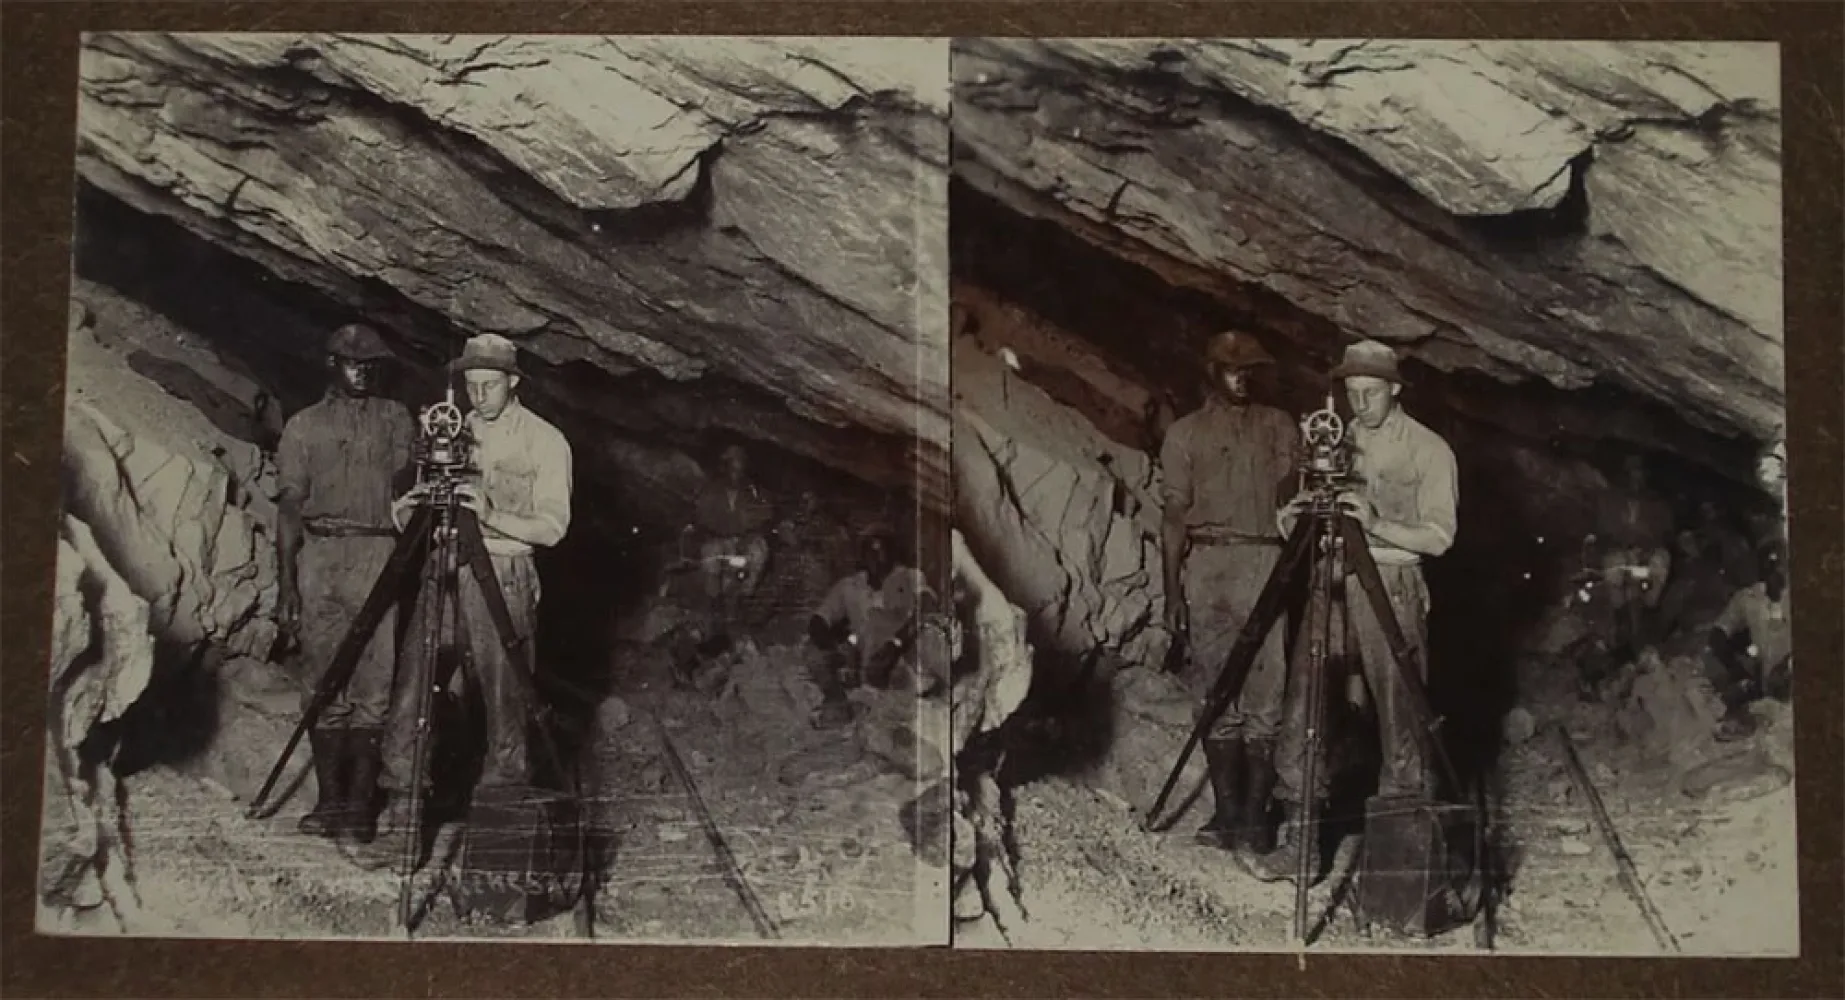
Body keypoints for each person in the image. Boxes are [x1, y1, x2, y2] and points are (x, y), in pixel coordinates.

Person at [358, 333, 574, 868]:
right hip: (445, 569)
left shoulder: (546, 442)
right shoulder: (450, 432)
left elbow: (553, 527)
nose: (478, 395)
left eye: (489, 385)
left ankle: (497, 846)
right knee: (413, 691)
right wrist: (407, 510)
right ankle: (401, 830)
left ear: (514, 382)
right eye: (471, 385)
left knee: (505, 704)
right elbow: (418, 503)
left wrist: (490, 511)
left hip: (504, 573)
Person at [1252, 339, 1458, 885]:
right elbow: (1300, 507)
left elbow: (1439, 537)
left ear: (1394, 389)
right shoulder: (1331, 441)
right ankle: (1301, 847)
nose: (1359, 403)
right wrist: (1291, 516)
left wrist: (1374, 522)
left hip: (1391, 582)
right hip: (1331, 580)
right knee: (1306, 701)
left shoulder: (1429, 449)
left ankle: (1400, 862)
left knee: (1400, 714)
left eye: (1370, 392)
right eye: (1351, 392)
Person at [1156, 330, 1301, 859]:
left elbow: (1294, 493)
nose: (1245, 377)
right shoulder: (1185, 435)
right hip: (1209, 566)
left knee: (1266, 692)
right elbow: (1173, 516)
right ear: (1211, 370)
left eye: (1252, 368)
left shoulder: (1278, 426)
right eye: (1233, 368)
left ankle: (1255, 817)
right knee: (1216, 694)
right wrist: (1172, 591)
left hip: (1265, 560)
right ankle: (1227, 811)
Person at [274, 323, 417, 848]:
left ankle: (360, 808)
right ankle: (328, 802)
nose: (364, 370)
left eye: (373, 363)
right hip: (321, 555)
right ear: (331, 364)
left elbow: (407, 480)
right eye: (353, 361)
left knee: (374, 686)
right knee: (323, 682)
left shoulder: (396, 418)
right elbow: (290, 505)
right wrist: (287, 581)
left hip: (378, 551)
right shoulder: (303, 427)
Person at [806, 523, 940, 727]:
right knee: (814, 652)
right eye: (870, 551)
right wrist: (838, 652)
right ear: (862, 556)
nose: (877, 557)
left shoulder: (909, 577)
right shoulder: (850, 586)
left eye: (882, 550)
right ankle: (840, 702)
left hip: (902, 655)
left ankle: (891, 698)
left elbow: (928, 606)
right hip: (866, 659)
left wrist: (895, 644)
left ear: (893, 552)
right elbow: (818, 621)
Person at [1703, 532, 1791, 742]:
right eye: (1769, 562)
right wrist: (1735, 666)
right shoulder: (1748, 598)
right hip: (1766, 684)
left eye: (1781, 561)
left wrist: (1787, 665)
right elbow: (1717, 634)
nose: (1776, 568)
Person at [1587, 454, 1676, 651]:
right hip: (1620, 554)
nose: (1635, 476)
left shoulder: (1656, 504)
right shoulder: (1610, 500)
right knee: (1613, 567)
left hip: (1646, 555)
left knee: (1662, 560)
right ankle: (1619, 615)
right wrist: (1619, 545)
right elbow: (1602, 533)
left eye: (1639, 471)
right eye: (1631, 471)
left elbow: (1666, 534)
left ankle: (1651, 609)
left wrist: (1648, 546)